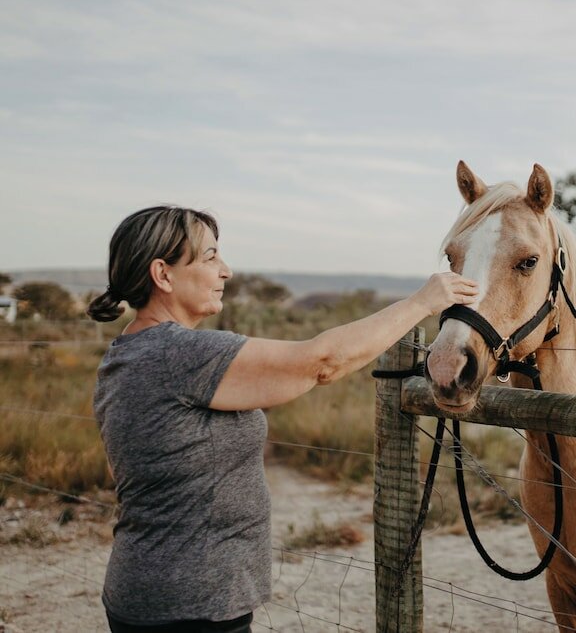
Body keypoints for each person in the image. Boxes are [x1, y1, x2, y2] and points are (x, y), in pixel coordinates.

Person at [87, 205, 477, 632]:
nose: (226, 271)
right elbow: (322, 362)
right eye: (210, 257)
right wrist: (422, 302)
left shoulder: (128, 352)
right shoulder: (177, 353)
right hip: (189, 606)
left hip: (154, 592)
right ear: (163, 275)